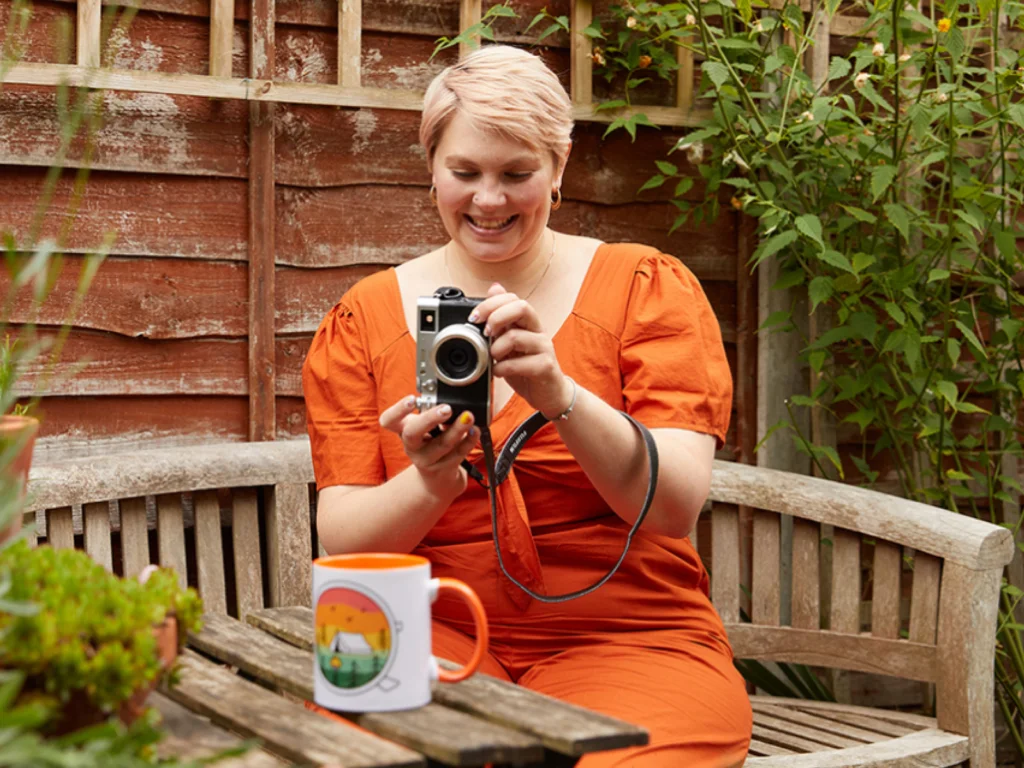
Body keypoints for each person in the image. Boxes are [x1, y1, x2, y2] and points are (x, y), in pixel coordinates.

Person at [302, 45, 752, 767]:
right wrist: (427, 479)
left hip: (631, 638)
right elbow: (345, 544)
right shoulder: (367, 316)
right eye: (465, 173)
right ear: (431, 169)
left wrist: (560, 393)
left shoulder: (644, 287)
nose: (489, 200)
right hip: (429, 632)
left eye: (517, 174)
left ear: (560, 168)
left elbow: (673, 509)